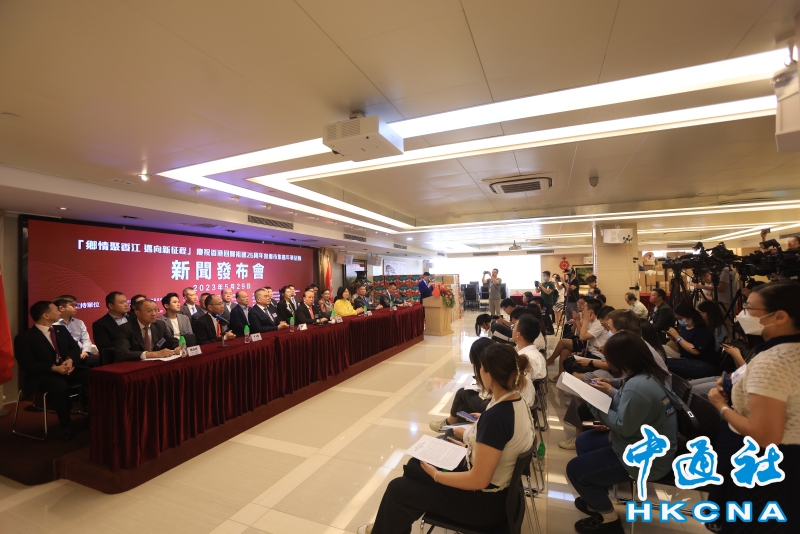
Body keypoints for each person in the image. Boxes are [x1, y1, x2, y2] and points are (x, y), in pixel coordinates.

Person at [363, 343, 534, 534]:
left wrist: (437, 476)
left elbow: (478, 480)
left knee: (398, 489)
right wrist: (471, 444)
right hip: (501, 496)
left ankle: (387, 526)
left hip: (483, 505)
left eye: (481, 368)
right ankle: (392, 524)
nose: (478, 373)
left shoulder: (496, 418)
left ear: (490, 374)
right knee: (414, 467)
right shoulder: (518, 402)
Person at [706, 282, 800, 534]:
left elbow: (765, 436)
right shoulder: (784, 351)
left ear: (779, 316)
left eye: (748, 308)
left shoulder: (773, 360)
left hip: (766, 465)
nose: (740, 314)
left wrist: (721, 406)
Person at [566, 331, 677, 534]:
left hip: (644, 458)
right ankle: (596, 493)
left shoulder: (638, 385)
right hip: (641, 441)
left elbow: (623, 425)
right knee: (584, 441)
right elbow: (630, 403)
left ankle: (609, 520)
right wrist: (609, 391)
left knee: (574, 470)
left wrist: (593, 403)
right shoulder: (649, 374)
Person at [14, 301, 89, 440]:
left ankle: (92, 417)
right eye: (56, 309)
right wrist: (54, 368)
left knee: (93, 377)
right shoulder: (25, 338)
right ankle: (66, 426)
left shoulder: (61, 330)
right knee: (61, 387)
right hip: (44, 375)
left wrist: (70, 360)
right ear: (46, 315)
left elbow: (74, 348)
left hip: (67, 369)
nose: (59, 312)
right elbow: (27, 364)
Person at [430, 338, 494, 432]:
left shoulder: (490, 371)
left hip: (491, 405)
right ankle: (453, 431)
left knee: (462, 393)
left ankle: (450, 424)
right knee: (462, 408)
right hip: (493, 403)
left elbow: (493, 393)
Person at [547, 298, 608, 381]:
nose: (582, 308)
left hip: (597, 355)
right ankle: (560, 376)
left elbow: (582, 337)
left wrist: (583, 320)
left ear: (590, 312)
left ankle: (551, 360)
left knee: (564, 346)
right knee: (564, 351)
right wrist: (577, 321)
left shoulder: (598, 323)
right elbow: (575, 332)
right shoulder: (591, 321)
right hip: (590, 350)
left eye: (584, 307)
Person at [664, 302, 718, 379]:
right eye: (677, 318)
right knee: (661, 355)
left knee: (665, 363)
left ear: (689, 316)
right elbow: (685, 344)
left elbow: (695, 350)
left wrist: (677, 337)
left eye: (680, 318)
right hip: (688, 358)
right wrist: (675, 338)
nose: (679, 321)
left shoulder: (702, 330)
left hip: (703, 363)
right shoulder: (686, 327)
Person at [115, 299, 180, 362]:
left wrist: (178, 347)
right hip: (135, 364)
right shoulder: (125, 328)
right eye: (149, 311)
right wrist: (153, 354)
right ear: (137, 313)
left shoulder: (160, 325)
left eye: (156, 310)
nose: (154, 314)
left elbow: (171, 341)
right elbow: (122, 353)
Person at [53, 295, 99, 367]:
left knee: (97, 360)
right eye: (72, 305)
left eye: (76, 305)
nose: (76, 308)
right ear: (61, 308)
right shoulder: (53, 325)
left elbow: (86, 340)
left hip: (81, 354)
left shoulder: (79, 322)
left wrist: (85, 351)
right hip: (64, 356)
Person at [92, 291, 129, 359]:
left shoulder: (133, 318)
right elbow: (103, 346)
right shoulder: (100, 324)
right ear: (111, 306)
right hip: (116, 359)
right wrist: (127, 341)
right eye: (122, 302)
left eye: (126, 301)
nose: (126, 305)